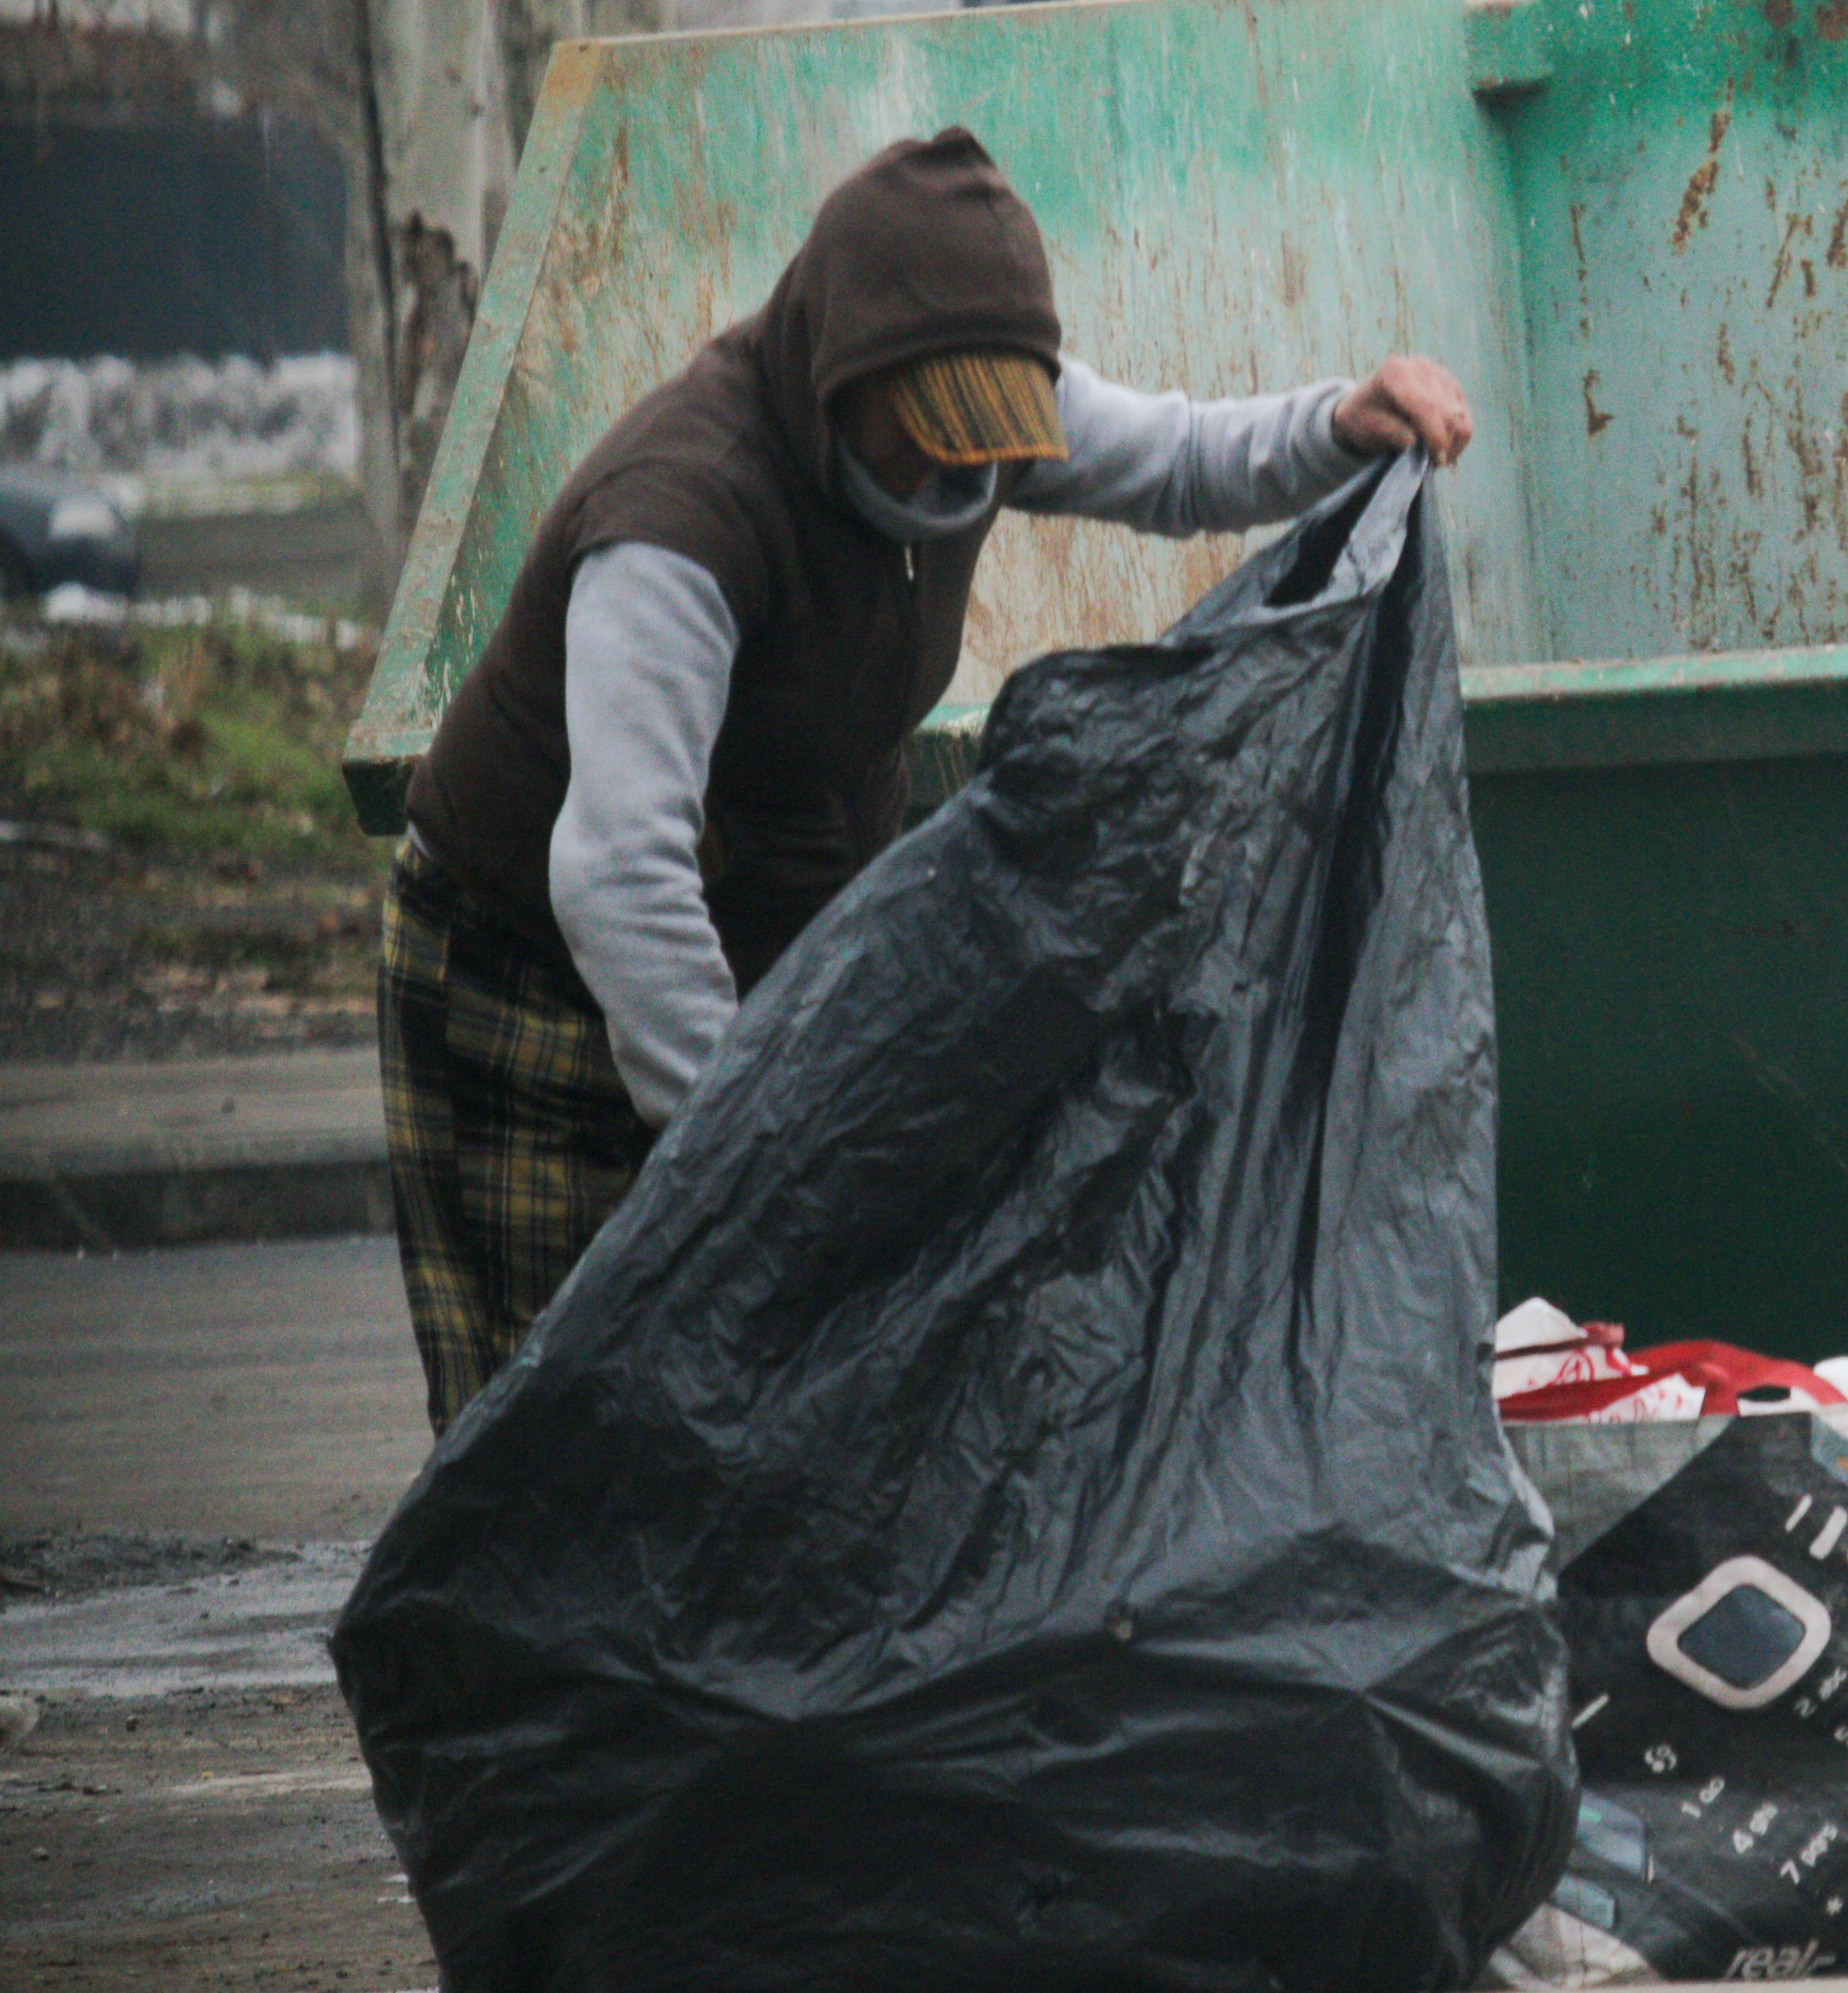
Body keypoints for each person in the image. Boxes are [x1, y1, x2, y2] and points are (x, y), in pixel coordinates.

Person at [381, 126, 1474, 1426]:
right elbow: (618, 876)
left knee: (763, 1400)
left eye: (991, 437)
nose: (965, 470)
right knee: (556, 1422)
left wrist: (1338, 425)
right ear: (843, 379)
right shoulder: (682, 519)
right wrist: (744, 1159)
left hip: (758, 955)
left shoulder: (978, 421)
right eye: (935, 434)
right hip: (527, 983)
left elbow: (1179, 461)